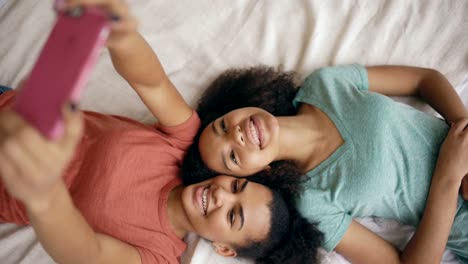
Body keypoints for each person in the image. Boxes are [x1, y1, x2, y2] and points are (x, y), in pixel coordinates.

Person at [0, 1, 324, 264]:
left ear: (224, 249)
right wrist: (120, 32)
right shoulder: (185, 142)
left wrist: (42, 193)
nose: (222, 195)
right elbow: (151, 82)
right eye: (237, 186)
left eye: (233, 216)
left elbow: (84, 252)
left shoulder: (158, 255)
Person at [181, 64, 468, 263]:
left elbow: (425, 80)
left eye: (222, 127)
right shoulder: (312, 201)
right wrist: (449, 175)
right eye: (231, 157)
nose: (237, 135)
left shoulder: (323, 85)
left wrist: (462, 127)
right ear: (256, 175)